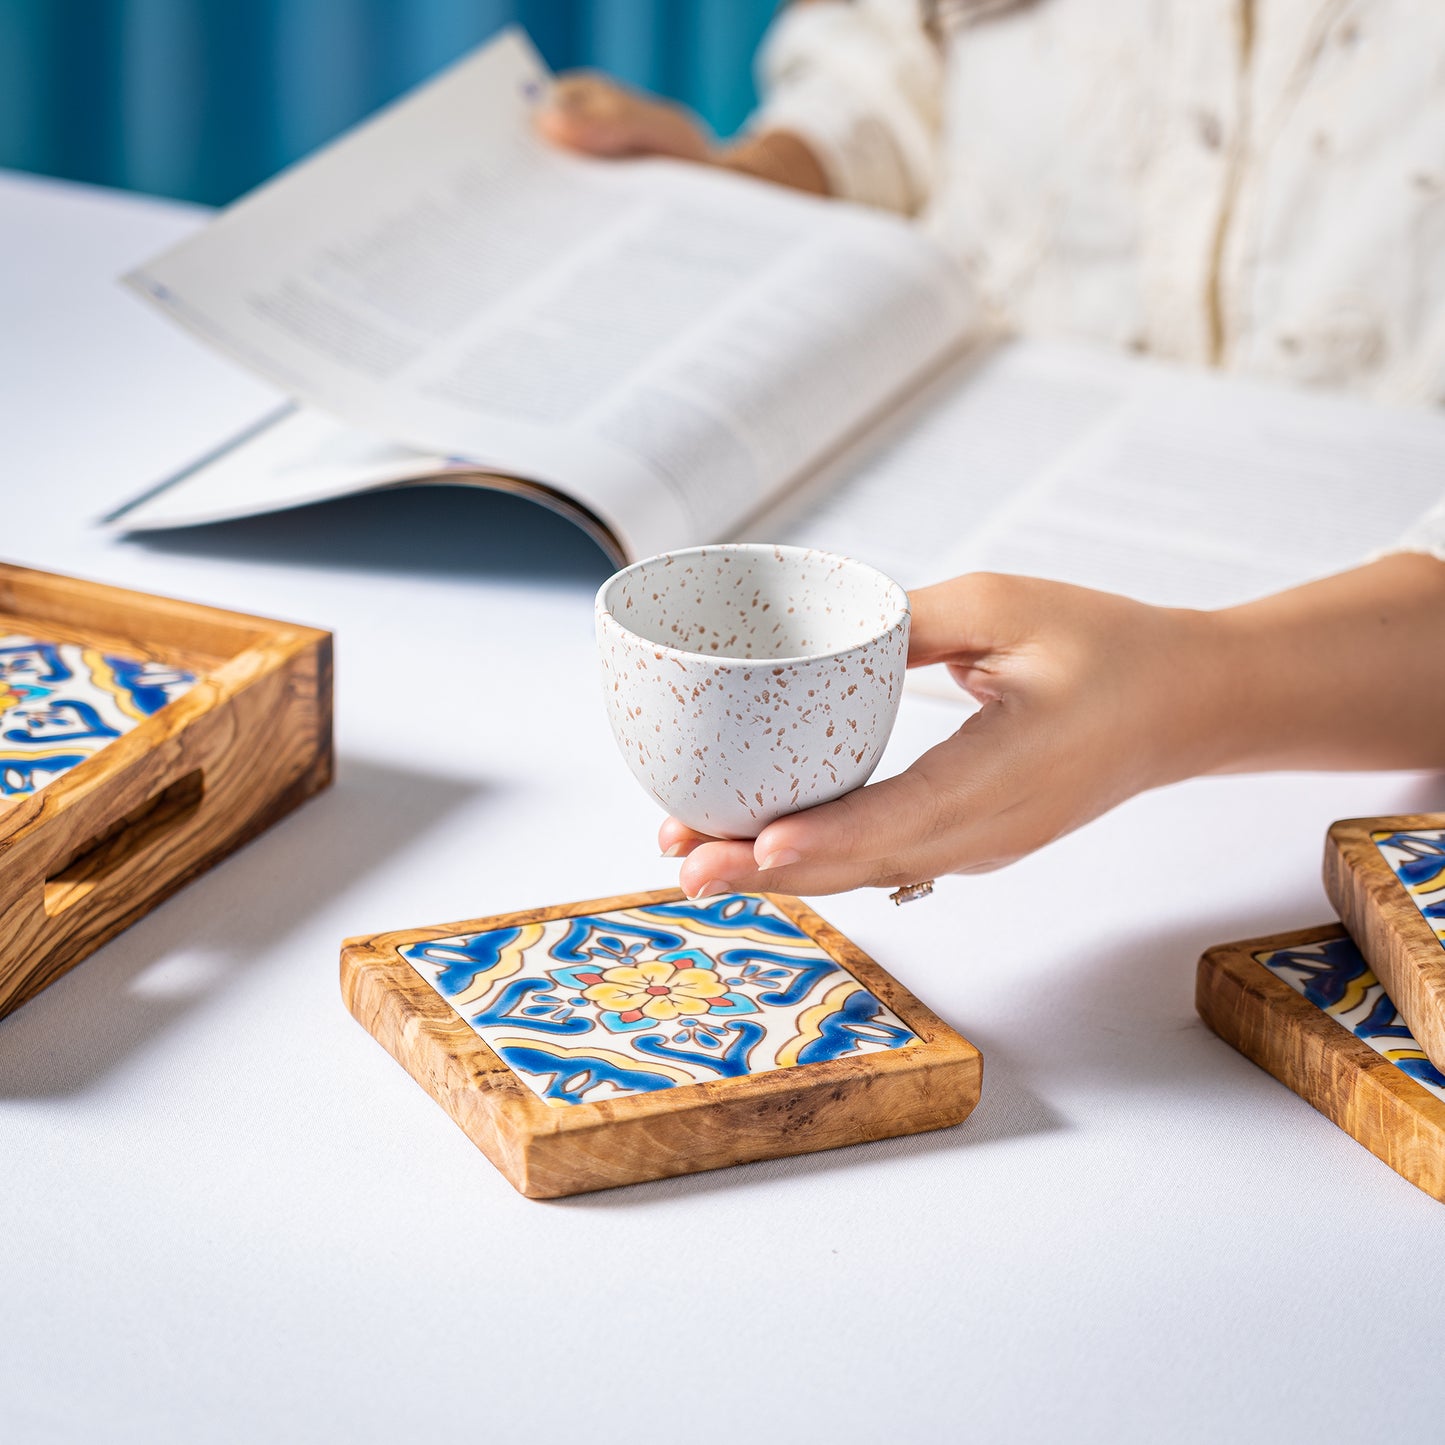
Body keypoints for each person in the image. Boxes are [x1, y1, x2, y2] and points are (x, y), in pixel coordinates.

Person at [537, 0, 1445, 900]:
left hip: (1369, 745)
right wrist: (772, 180)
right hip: (967, 477)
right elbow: (897, 52)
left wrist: (1189, 695)